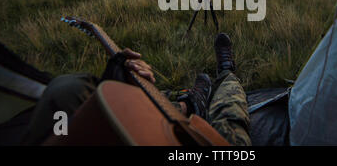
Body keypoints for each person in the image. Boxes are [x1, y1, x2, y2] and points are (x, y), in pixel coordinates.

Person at [21, 33, 251, 146]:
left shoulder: (57, 128)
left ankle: (189, 104)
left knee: (65, 92)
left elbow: (62, 126)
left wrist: (114, 86)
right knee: (230, 124)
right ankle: (228, 75)